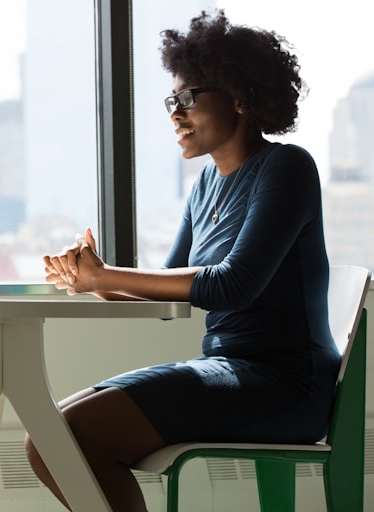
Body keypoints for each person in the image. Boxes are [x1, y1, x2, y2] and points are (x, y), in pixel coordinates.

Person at [25, 10, 336, 512]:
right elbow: (171, 293)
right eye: (172, 99)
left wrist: (107, 275)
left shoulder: (287, 167)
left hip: (284, 386)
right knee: (47, 439)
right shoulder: (205, 187)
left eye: (188, 97)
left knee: (65, 439)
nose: (175, 112)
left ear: (239, 95)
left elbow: (234, 284)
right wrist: (93, 280)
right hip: (227, 370)